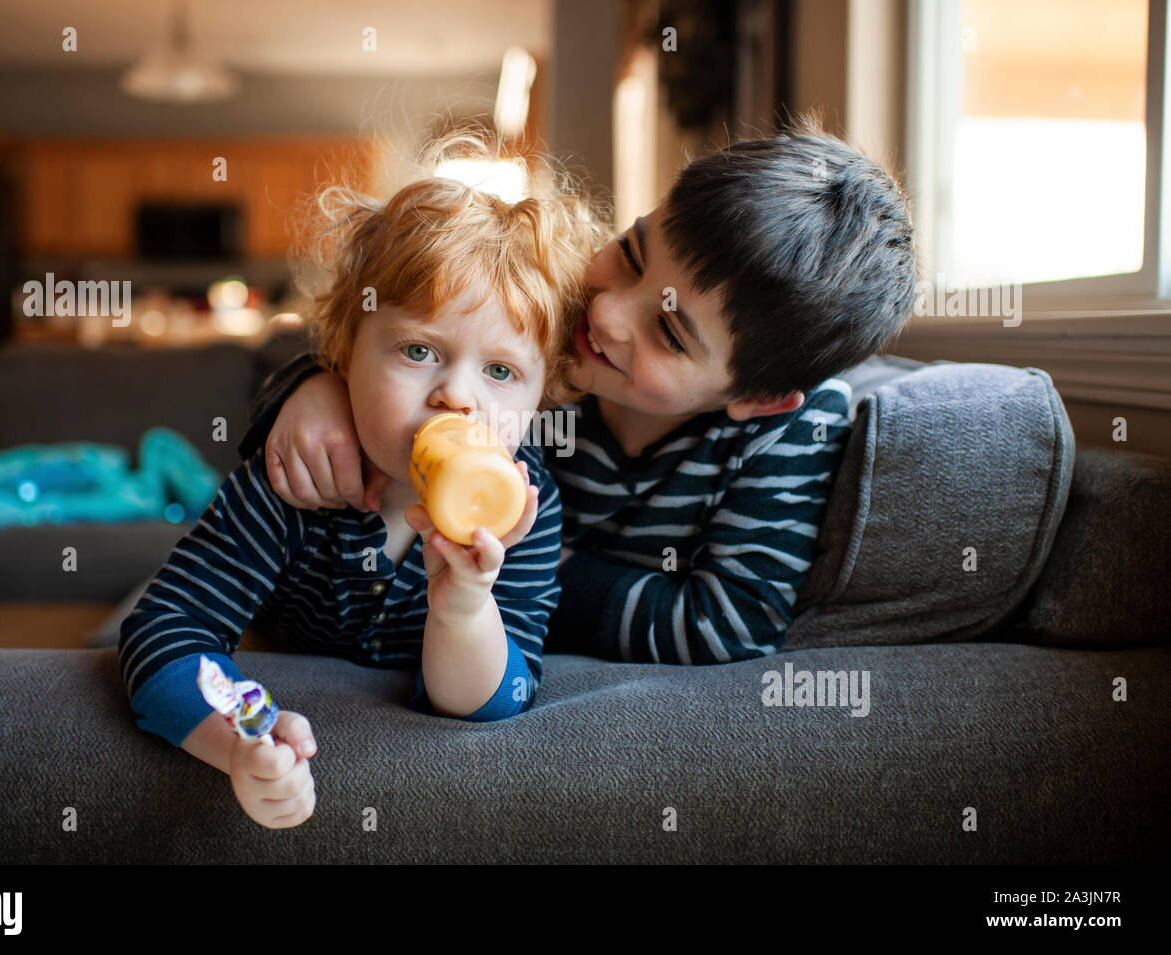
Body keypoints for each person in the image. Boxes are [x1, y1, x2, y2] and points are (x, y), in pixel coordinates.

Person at [240, 114, 918, 667]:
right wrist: (317, 383)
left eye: (670, 333)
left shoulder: (789, 431)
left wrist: (528, 569)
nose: (608, 314)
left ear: (759, 398)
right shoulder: (555, 313)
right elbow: (384, 327)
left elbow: (721, 626)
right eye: (628, 254)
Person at [118, 144, 605, 829]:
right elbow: (166, 629)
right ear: (343, 350)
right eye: (418, 351)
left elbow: (493, 701)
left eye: (500, 372)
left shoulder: (525, 508)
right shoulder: (294, 483)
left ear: (540, 396)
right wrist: (243, 738)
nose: (457, 397)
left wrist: (465, 603)